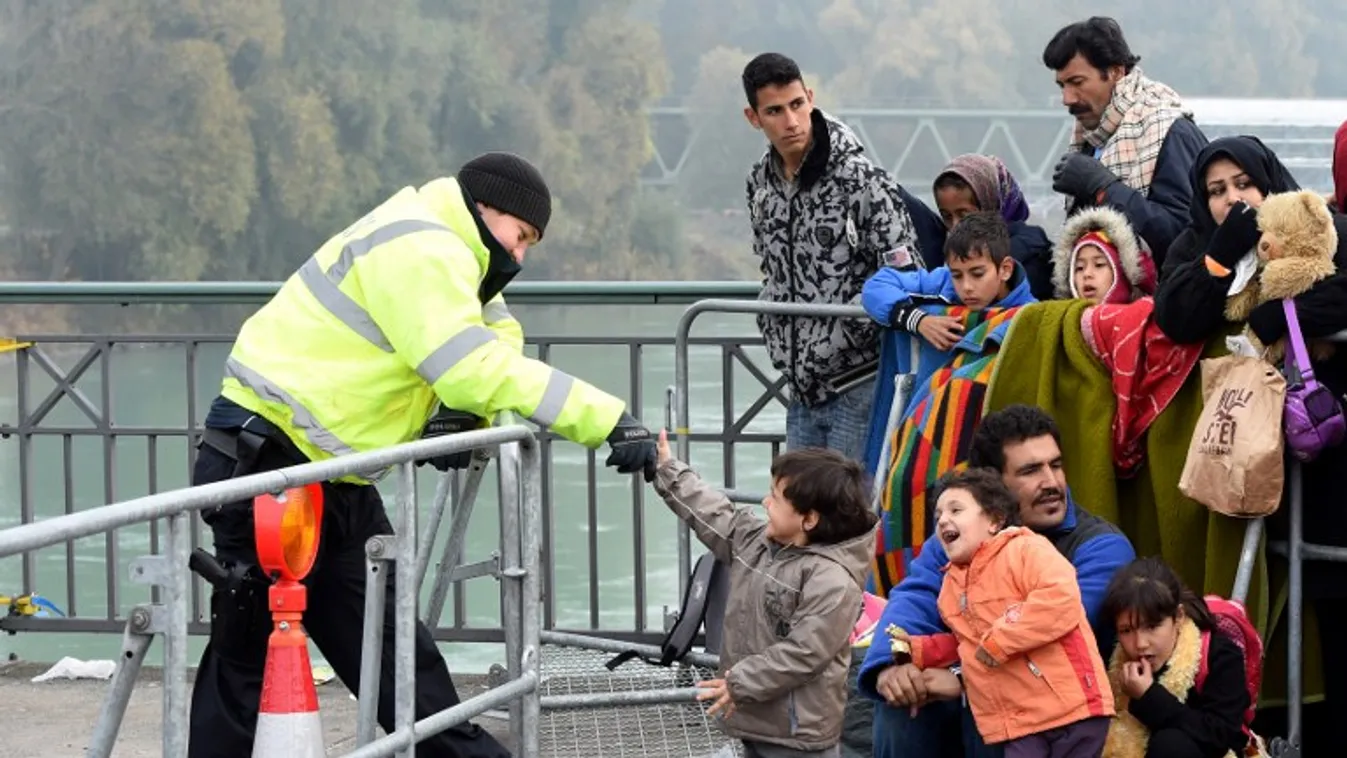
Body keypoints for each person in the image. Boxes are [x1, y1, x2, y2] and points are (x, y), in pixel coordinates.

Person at [186, 152, 659, 758]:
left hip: (334, 477)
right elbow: (470, 367)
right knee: (247, 655)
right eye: (521, 237)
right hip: (267, 460)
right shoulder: (423, 248)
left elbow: (496, 341)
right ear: (488, 212)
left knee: (394, 654)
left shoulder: (454, 251)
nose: (520, 257)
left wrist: (470, 412)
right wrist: (606, 419)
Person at [1151, 135, 1347, 755]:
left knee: (1324, 597)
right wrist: (1219, 258)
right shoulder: (1197, 244)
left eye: (1244, 185)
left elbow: (1340, 288)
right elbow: (1175, 314)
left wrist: (1274, 316)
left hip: (1319, 453)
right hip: (1235, 455)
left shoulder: (1315, 224)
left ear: (1270, 185)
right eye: (1216, 190)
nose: (1233, 200)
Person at [859, 404, 1135, 758]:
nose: (1051, 483)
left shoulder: (1101, 546)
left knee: (985, 707)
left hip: (1053, 709)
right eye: (1031, 471)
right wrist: (892, 667)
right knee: (902, 703)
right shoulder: (957, 539)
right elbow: (916, 598)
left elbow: (1050, 630)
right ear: (992, 483)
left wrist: (960, 678)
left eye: (1056, 465)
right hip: (969, 680)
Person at [649, 430, 877, 758]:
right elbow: (714, 514)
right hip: (752, 718)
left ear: (809, 519)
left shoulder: (833, 581)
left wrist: (738, 683)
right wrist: (666, 469)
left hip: (797, 735)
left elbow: (804, 652)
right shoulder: (758, 543)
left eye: (776, 497)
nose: (765, 502)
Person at [742, 52, 921, 460]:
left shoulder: (861, 180)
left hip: (860, 382)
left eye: (797, 104)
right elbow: (770, 268)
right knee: (801, 517)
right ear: (754, 118)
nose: (791, 121)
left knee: (849, 517)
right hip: (799, 386)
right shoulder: (759, 184)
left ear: (810, 97)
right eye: (774, 111)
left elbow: (909, 274)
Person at [893, 468, 1114, 757]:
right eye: (938, 516)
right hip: (1020, 721)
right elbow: (970, 644)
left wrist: (1001, 640)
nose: (944, 519)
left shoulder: (1025, 548)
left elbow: (1061, 599)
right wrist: (920, 650)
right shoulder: (950, 588)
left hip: (1074, 710)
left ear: (995, 520)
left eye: (956, 509)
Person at [1043, 17, 1207, 262]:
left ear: (1116, 72)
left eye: (1077, 82)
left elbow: (1186, 238)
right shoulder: (1093, 136)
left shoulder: (1170, 131)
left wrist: (1103, 188)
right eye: (1061, 86)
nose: (1067, 98)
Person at [1099, 558, 1251, 758]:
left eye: (1152, 626)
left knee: (1171, 745)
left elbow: (1222, 737)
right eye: (1126, 630)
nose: (1140, 643)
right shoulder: (1117, 662)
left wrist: (1148, 696)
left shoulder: (1220, 655)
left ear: (1178, 616)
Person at [862, 212, 1036, 351]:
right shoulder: (942, 282)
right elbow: (876, 286)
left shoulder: (1031, 316)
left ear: (1005, 269)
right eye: (957, 275)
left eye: (977, 274)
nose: (966, 287)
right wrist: (918, 320)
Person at [932, 155, 1053, 300]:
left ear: (991, 205)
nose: (955, 226)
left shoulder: (1028, 258)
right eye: (947, 216)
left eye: (964, 215)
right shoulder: (954, 253)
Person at [1051, 206, 1157, 305]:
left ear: (1124, 273)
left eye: (1099, 265)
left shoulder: (1148, 321)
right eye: (1079, 268)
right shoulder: (1061, 322)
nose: (1087, 274)